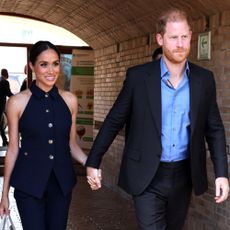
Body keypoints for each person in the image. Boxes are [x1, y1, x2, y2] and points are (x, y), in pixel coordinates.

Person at [85, 8, 229, 230]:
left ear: (191, 36)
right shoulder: (138, 77)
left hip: (184, 174)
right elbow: (114, 120)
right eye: (173, 37)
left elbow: (215, 129)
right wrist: (93, 161)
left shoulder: (204, 79)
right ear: (160, 39)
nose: (180, 44)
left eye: (184, 37)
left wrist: (222, 174)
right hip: (147, 174)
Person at [0, 41, 88, 230]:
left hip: (61, 185)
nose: (51, 70)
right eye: (44, 64)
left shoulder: (70, 100)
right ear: (32, 66)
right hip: (28, 185)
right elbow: (13, 149)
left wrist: (91, 164)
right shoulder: (17, 102)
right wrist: (4, 194)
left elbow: (72, 145)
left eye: (55, 64)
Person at [0, 68, 13, 146]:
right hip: (1, 105)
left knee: (1, 123)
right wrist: (17, 97)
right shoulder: (5, 82)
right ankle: (5, 140)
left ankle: (5, 140)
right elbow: (8, 93)